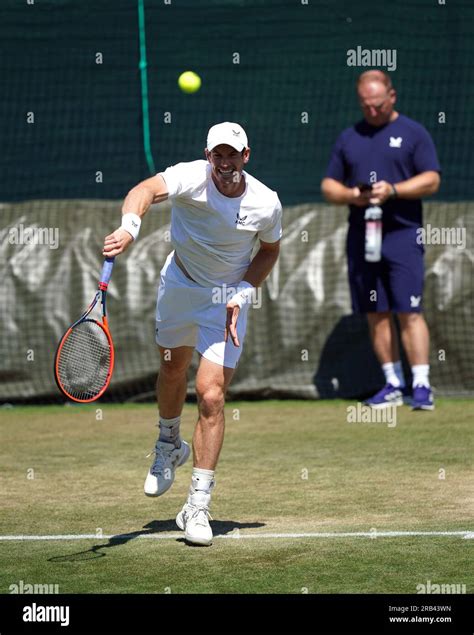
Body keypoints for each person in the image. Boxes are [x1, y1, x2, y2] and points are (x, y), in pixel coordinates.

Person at [102, 122, 282, 545]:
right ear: (208, 157)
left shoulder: (266, 202)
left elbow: (270, 250)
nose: (224, 163)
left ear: (246, 156)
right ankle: (169, 443)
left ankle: (198, 504)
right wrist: (130, 226)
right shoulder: (189, 177)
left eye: (232, 155)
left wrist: (243, 291)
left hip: (226, 301)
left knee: (212, 393)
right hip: (179, 287)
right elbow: (144, 190)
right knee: (171, 371)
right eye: (217, 155)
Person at [321, 70, 441, 410]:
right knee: (376, 311)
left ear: (392, 97)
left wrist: (394, 190)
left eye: (377, 104)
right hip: (363, 236)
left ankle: (421, 386)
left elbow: (432, 179)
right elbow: (329, 186)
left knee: (409, 310)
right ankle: (392, 382)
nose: (372, 111)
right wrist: (352, 195)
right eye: (365, 106)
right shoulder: (349, 138)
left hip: (403, 235)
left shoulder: (413, 133)